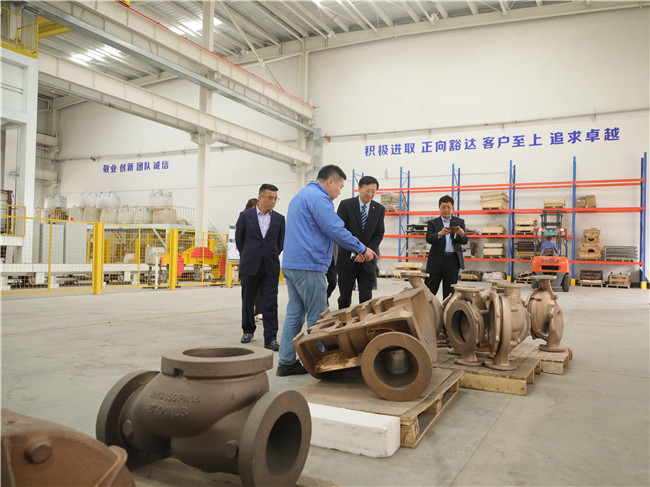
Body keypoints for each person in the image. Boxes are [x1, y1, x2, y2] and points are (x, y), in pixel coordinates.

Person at [277, 165, 377, 376]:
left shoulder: (300, 196)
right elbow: (335, 230)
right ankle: (320, 364)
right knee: (319, 317)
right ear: (330, 182)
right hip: (309, 265)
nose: (339, 192)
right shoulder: (319, 198)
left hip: (292, 264)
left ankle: (286, 362)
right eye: (340, 186)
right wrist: (362, 249)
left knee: (295, 313)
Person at [235, 184, 285, 351]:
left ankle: (270, 338)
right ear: (260, 197)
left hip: (270, 266)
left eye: (275, 198)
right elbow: (240, 240)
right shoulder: (245, 216)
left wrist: (269, 254)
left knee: (270, 303)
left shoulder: (279, 219)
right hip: (250, 265)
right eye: (270, 197)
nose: (273, 201)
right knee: (248, 300)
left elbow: (280, 243)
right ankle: (248, 331)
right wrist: (250, 255)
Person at [336, 175, 385, 309]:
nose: (370, 194)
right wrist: (358, 250)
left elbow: (379, 234)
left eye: (373, 191)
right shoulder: (346, 205)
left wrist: (365, 252)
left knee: (366, 298)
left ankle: (364, 321)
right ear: (359, 188)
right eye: (367, 190)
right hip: (347, 258)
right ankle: (344, 321)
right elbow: (341, 231)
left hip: (367, 260)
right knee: (344, 297)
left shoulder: (379, 209)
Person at [425, 195, 468, 301]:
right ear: (439, 207)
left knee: (449, 292)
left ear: (452, 208)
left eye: (449, 207)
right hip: (436, 260)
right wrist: (439, 234)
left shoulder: (459, 222)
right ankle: (428, 309)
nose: (446, 210)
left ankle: (446, 310)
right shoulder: (433, 223)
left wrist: (462, 234)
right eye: (443, 207)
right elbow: (429, 238)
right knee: (430, 289)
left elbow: (464, 241)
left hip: (452, 261)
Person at [244, 198, 263, 319]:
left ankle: (259, 310)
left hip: (261, 258)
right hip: (248, 258)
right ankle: (249, 313)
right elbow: (240, 239)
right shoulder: (244, 219)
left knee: (260, 286)